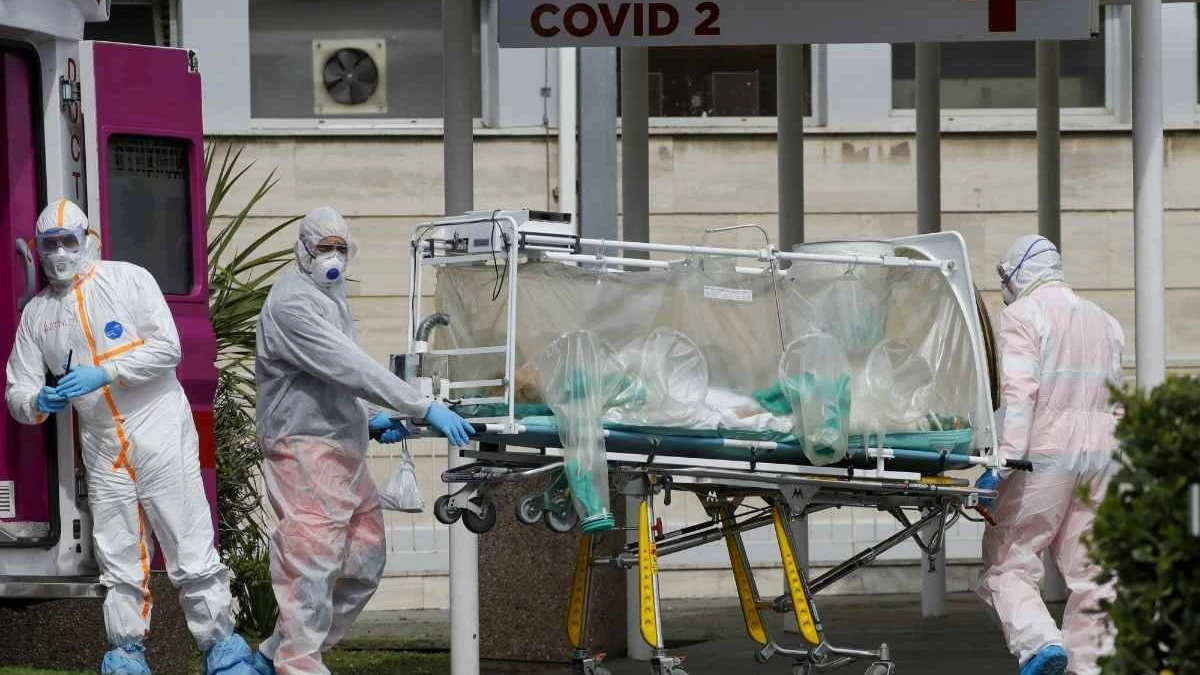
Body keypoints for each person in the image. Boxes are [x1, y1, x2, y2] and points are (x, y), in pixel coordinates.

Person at [5, 200, 256, 675]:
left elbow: (168, 348)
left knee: (188, 542)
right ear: (37, 250)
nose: (59, 254)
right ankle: (127, 654)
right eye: (49, 245)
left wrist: (106, 371)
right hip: (102, 443)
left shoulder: (127, 280)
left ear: (88, 239)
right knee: (118, 553)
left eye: (68, 241)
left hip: (158, 427)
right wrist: (37, 401)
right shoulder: (38, 314)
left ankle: (222, 650)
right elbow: (17, 387)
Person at [252, 206, 474, 675]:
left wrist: (372, 418)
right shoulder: (293, 304)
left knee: (364, 559)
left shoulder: (329, 295)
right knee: (312, 559)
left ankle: (276, 653)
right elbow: (349, 366)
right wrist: (421, 406)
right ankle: (297, 663)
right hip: (303, 445)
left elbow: (335, 375)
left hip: (341, 445)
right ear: (303, 250)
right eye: (323, 248)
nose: (332, 257)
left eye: (340, 248)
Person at [975, 234, 1125, 675]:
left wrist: (1000, 464)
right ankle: (1093, 666)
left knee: (1008, 560)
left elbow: (1019, 396)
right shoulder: (1106, 321)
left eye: (1005, 277)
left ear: (1019, 272)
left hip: (1044, 458)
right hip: (1099, 459)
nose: (1005, 288)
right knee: (1094, 572)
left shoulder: (1024, 315)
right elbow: (1117, 400)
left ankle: (1039, 643)